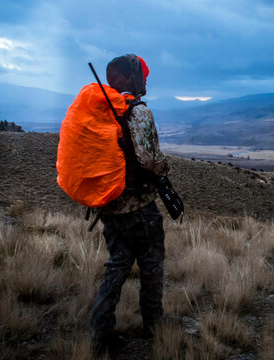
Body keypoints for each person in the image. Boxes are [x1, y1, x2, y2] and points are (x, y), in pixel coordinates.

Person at [89, 54, 170, 353]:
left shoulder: (100, 112)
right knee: (151, 265)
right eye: (143, 75)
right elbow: (150, 160)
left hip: (109, 205)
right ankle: (154, 325)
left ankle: (99, 332)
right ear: (132, 78)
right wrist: (164, 168)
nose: (147, 80)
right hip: (139, 207)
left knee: (117, 266)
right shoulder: (138, 112)